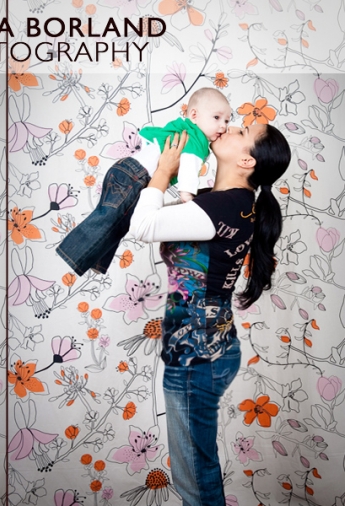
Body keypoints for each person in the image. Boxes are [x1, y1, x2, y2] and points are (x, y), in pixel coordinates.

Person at [127, 123, 291, 506]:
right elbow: (151, 211)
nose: (229, 126)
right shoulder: (220, 202)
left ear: (246, 160)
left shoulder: (222, 207)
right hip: (206, 349)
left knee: (195, 483)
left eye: (242, 131)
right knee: (195, 473)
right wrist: (175, 165)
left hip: (197, 355)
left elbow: (144, 225)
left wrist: (164, 170)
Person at [56, 88, 231, 276]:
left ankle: (95, 261)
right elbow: (190, 162)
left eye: (227, 121)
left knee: (120, 220)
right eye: (216, 118)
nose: (223, 126)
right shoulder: (196, 138)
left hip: (128, 171)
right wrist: (187, 194)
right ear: (194, 115)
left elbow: (152, 138)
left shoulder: (183, 128)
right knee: (110, 216)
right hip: (135, 176)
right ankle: (72, 253)